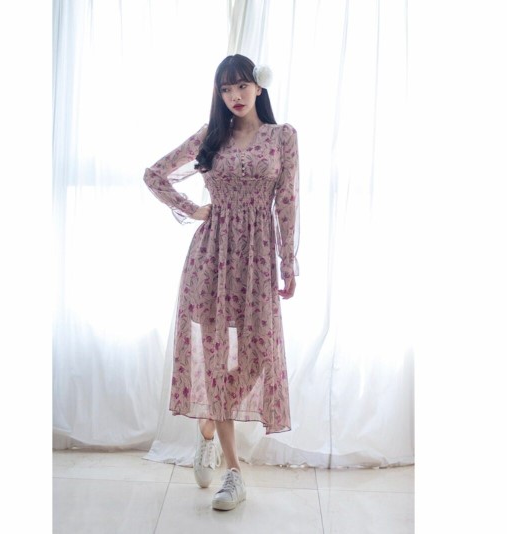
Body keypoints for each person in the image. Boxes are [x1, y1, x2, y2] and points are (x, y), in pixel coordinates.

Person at [143, 54, 299, 511]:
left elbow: (287, 202)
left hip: (257, 261)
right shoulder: (210, 137)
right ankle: (234, 474)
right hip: (210, 258)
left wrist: (288, 262)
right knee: (214, 358)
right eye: (226, 89)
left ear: (258, 88)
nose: (234, 95)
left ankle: (208, 424)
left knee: (256, 355)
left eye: (242, 86)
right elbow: (154, 174)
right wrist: (193, 210)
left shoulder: (282, 137)